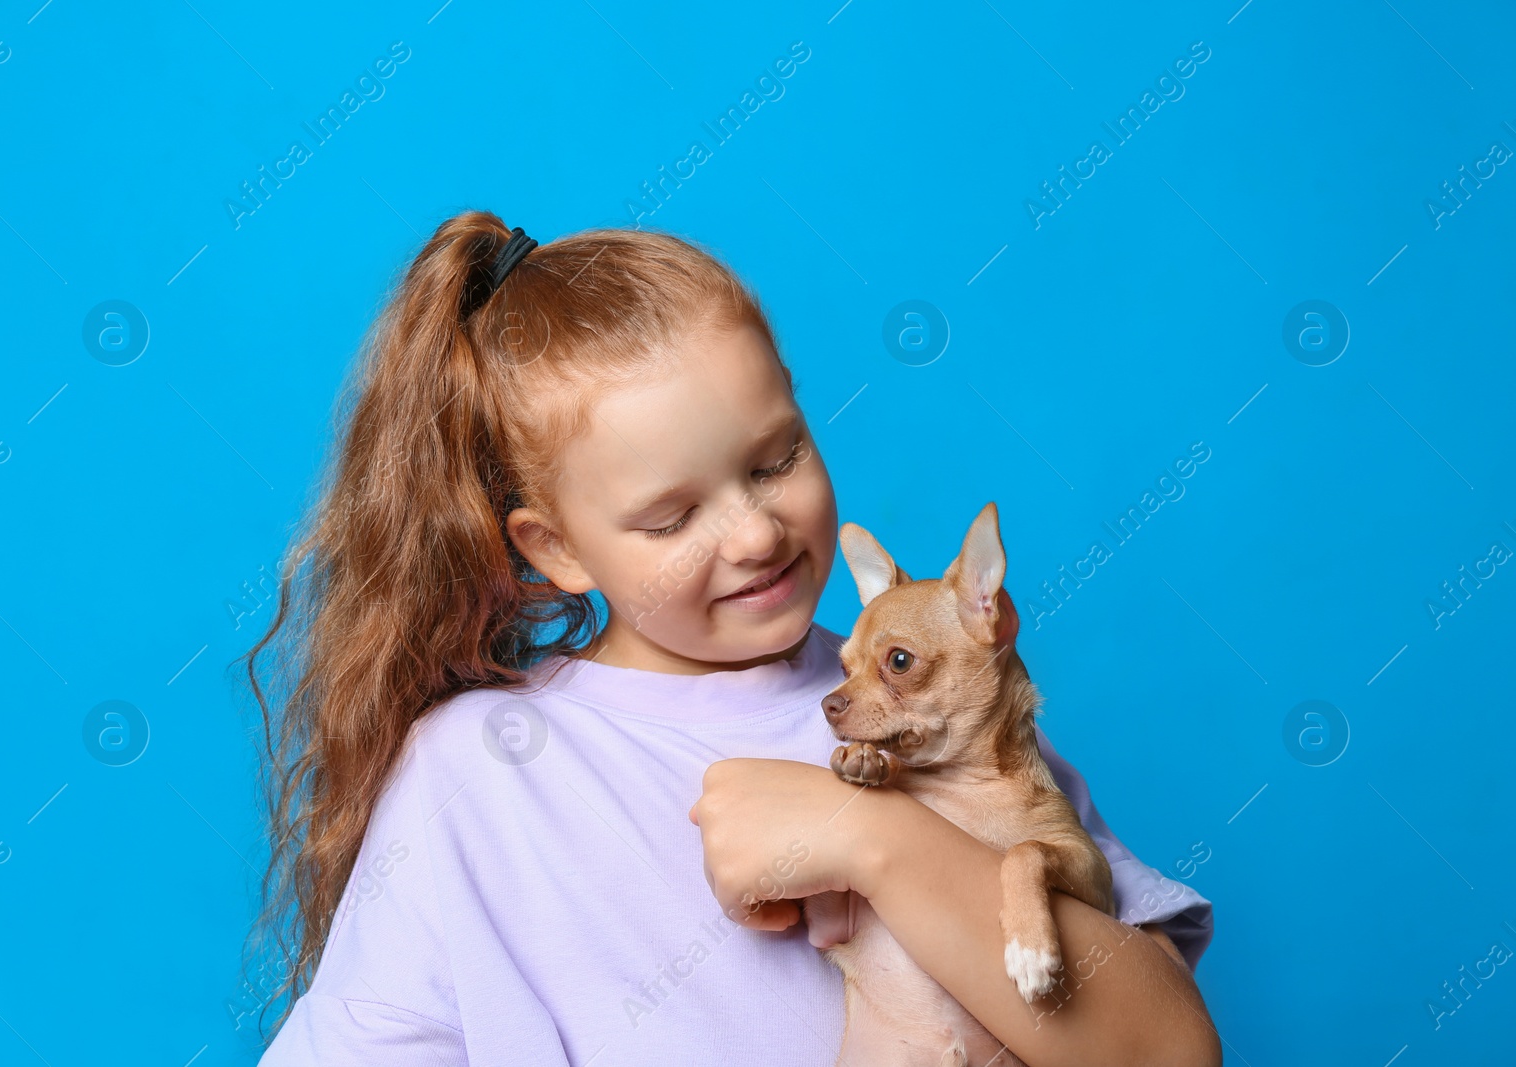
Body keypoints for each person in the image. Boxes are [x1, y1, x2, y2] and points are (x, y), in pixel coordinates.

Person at [245, 211, 1219, 1065]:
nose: (755, 532)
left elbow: (1169, 1047)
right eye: (671, 518)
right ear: (556, 550)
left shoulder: (928, 695)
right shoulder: (482, 773)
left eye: (775, 457)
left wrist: (875, 836)